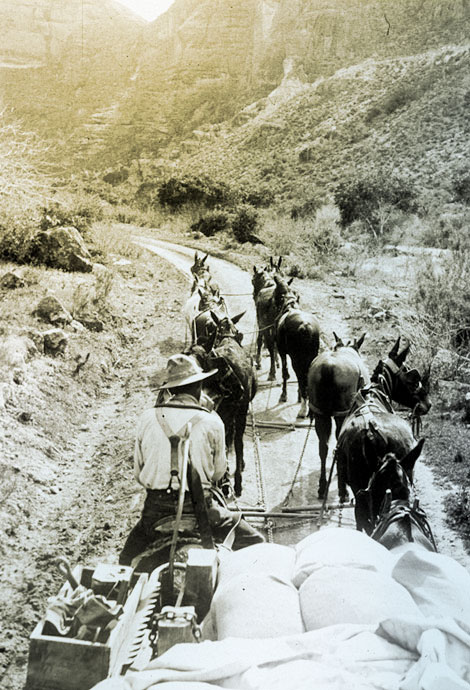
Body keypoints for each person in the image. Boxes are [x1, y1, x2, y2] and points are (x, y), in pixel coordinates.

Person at [119, 353, 264, 565]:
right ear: (199, 386)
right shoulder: (212, 421)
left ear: (169, 389)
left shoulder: (147, 417)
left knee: (124, 561)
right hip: (203, 511)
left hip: (155, 511)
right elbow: (218, 472)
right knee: (255, 541)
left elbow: (139, 474)